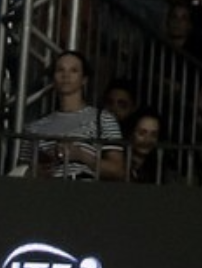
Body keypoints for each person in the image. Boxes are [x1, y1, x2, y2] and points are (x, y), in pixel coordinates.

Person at [17, 50, 126, 181]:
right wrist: (36, 171)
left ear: (84, 79)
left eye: (73, 70)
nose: (66, 75)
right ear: (53, 77)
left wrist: (81, 155)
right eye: (60, 70)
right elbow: (21, 172)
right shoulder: (35, 127)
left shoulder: (103, 119)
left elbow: (118, 170)